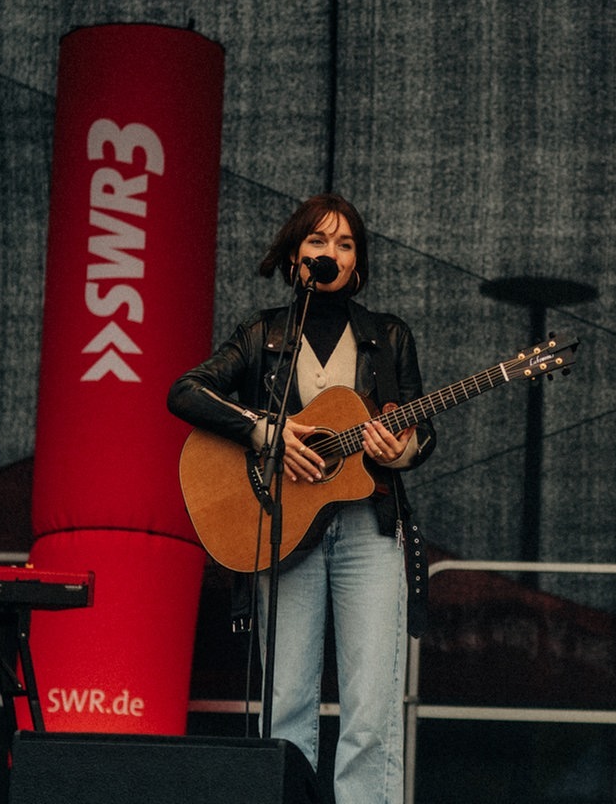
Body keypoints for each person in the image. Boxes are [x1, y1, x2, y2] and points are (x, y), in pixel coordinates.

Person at [167, 194, 435, 804]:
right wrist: (269, 431)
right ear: (295, 258)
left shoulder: (389, 337)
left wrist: (403, 450)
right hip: (280, 525)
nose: (331, 254)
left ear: (358, 264)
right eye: (318, 242)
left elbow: (419, 430)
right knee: (285, 704)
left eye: (345, 245)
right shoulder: (263, 335)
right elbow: (185, 391)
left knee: (371, 705)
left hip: (370, 527)